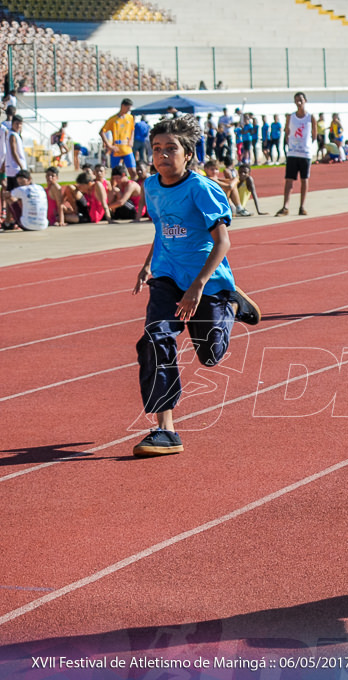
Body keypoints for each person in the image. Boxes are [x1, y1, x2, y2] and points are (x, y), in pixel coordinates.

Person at [130, 114, 261, 458]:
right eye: (156, 148)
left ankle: (231, 303)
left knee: (210, 356)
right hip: (167, 277)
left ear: (187, 153)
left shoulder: (203, 188)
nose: (161, 155)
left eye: (170, 148)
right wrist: (147, 265)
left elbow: (223, 243)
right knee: (155, 339)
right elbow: (161, 230)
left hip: (207, 281)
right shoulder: (151, 186)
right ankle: (166, 430)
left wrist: (199, 285)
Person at [276, 92, 316, 216]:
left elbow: (314, 134)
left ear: (305, 101)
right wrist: (291, 143)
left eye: (301, 100)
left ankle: (302, 206)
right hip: (293, 152)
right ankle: (285, 207)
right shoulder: (291, 117)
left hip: (305, 153)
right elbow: (287, 131)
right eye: (296, 100)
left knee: (304, 180)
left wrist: (307, 144)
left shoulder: (310, 117)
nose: (299, 102)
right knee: (289, 180)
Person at [100, 97, 137, 179]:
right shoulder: (113, 119)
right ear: (122, 106)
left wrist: (131, 140)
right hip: (116, 148)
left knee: (133, 172)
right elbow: (102, 132)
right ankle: (114, 190)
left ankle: (135, 189)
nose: (128, 110)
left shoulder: (130, 118)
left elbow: (132, 129)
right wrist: (109, 146)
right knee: (115, 174)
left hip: (127, 148)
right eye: (127, 108)